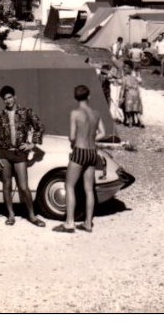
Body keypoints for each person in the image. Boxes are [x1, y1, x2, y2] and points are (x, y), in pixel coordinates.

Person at [0, 85, 46, 227]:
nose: (8, 101)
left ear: (15, 97)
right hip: (4, 153)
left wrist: (32, 145)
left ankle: (32, 216)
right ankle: (10, 215)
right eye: (5, 99)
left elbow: (39, 127)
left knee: (23, 186)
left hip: (19, 153)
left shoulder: (26, 111)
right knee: (7, 185)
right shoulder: (0, 114)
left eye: (9, 97)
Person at [54, 84, 102, 233]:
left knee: (69, 186)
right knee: (89, 189)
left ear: (76, 98)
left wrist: (74, 141)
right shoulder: (96, 113)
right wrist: (91, 137)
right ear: (89, 96)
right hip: (92, 152)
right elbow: (102, 133)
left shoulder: (75, 113)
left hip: (80, 151)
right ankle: (88, 223)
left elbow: (72, 136)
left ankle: (69, 223)